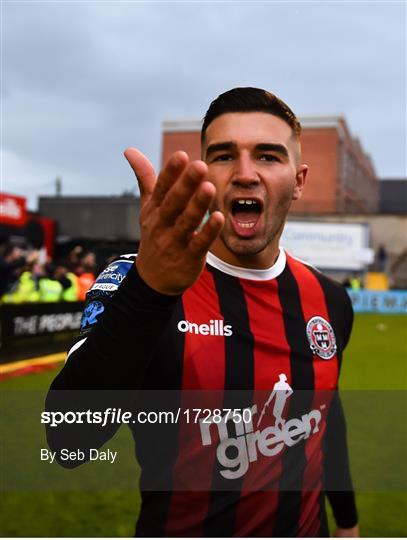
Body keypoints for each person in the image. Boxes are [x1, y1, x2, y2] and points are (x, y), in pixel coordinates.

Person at [45, 87, 358, 537]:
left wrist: (347, 523)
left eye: (268, 156)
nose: (246, 173)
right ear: (203, 174)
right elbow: (69, 442)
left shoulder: (329, 299)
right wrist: (151, 291)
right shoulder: (139, 283)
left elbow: (326, 415)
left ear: (299, 180)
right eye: (224, 155)